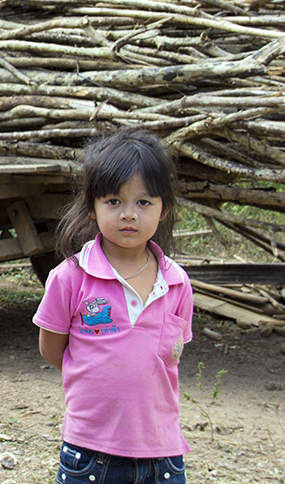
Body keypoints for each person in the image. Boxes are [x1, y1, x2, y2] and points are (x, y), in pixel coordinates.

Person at [33, 128, 193, 484]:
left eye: (144, 202)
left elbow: (168, 360)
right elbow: (53, 349)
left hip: (163, 456)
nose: (129, 215)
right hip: (90, 453)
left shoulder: (177, 282)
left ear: (164, 209)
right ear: (92, 207)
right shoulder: (71, 278)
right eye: (114, 202)